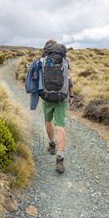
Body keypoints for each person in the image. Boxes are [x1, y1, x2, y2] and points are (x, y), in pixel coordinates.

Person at [40, 39, 74, 173]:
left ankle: (52, 144)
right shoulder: (64, 61)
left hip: (47, 97)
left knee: (48, 121)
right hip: (61, 97)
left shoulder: (42, 60)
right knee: (60, 124)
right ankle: (60, 159)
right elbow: (70, 80)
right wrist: (71, 96)